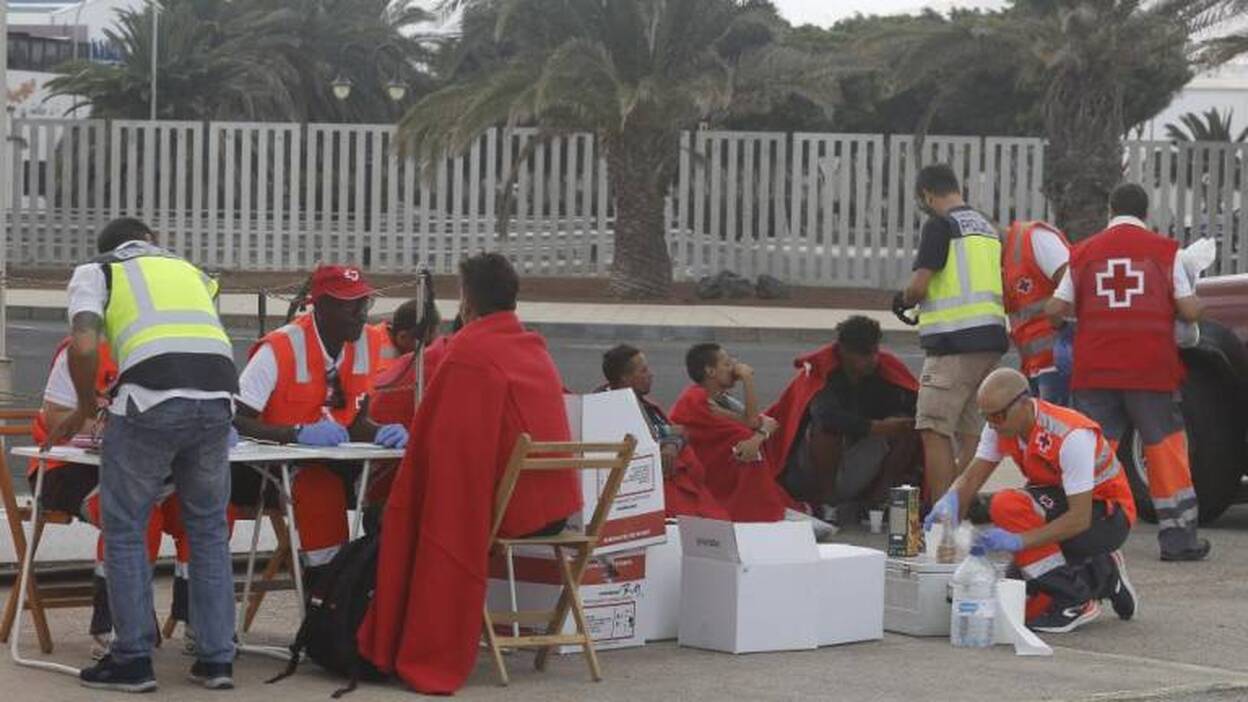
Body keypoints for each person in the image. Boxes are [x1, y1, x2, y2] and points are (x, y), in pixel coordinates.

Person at [358, 252, 582, 695]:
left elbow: (444, 450)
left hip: (513, 511)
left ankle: (400, 636)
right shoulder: (531, 346)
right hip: (557, 507)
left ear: (466, 301)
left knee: (398, 516)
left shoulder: (470, 353)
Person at [45, 217, 238, 691]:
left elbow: (85, 342)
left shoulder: (98, 269)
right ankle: (216, 661)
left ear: (106, 248)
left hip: (151, 395)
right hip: (219, 395)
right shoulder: (190, 270)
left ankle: (132, 659)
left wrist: (88, 406)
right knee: (209, 530)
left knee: (127, 527)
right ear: (151, 243)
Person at [31, 338, 231, 659]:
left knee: (207, 512)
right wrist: (119, 429)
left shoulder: (172, 351)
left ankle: (203, 624)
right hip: (67, 465)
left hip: (150, 466)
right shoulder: (83, 349)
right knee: (136, 514)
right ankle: (113, 628)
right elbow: (55, 416)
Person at [1045, 183, 1210, 562]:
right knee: (1164, 451)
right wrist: (1197, 307)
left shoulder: (1082, 253)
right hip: (1150, 370)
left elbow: (1055, 309)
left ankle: (1077, 531)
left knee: (1089, 452)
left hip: (1095, 370)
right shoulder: (1165, 253)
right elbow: (1187, 311)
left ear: (1110, 209)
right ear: (1146, 212)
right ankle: (1178, 540)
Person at [233, 264, 409, 584]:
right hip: (275, 470)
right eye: (350, 304)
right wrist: (295, 434)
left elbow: (356, 422)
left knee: (403, 478)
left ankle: (380, 577)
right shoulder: (280, 348)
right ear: (322, 305)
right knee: (319, 488)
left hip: (337, 461)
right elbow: (235, 418)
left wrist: (382, 431)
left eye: (364, 303)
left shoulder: (365, 344)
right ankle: (328, 592)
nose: (360, 313)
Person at [926, 368, 1138, 633]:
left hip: (1106, 515)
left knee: (1007, 507)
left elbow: (1078, 518)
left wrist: (1020, 541)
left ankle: (1075, 600)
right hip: (1062, 503)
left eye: (998, 416)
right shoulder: (1001, 428)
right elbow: (971, 478)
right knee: (1023, 602)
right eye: (985, 417)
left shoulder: (1071, 435)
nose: (992, 424)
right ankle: (1103, 573)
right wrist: (950, 501)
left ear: (1024, 403)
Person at [898, 163, 1008, 501]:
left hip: (952, 343)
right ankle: (962, 509)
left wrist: (902, 300)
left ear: (927, 194)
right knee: (972, 433)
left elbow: (919, 287)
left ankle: (940, 520)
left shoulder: (940, 224)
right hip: (990, 340)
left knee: (933, 429)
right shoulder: (987, 228)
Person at [766, 316, 921, 521]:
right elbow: (826, 416)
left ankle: (878, 500)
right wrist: (876, 427)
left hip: (859, 461)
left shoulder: (883, 373)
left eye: (875, 351)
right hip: (809, 470)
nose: (873, 359)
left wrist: (898, 425)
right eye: (864, 354)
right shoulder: (824, 374)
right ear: (844, 351)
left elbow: (915, 406)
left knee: (905, 427)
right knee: (826, 430)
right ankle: (826, 502)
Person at [668, 343, 795, 521]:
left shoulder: (718, 399)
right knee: (742, 439)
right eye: (727, 364)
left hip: (716, 473)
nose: (734, 368)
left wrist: (759, 433)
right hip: (709, 481)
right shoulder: (695, 401)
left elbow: (756, 422)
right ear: (710, 371)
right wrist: (747, 378)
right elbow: (753, 424)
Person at [601, 344, 730, 520]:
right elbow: (646, 438)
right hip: (654, 487)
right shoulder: (609, 407)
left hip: (683, 481)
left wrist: (671, 443)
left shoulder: (644, 404)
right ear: (625, 378)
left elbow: (678, 430)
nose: (651, 374)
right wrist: (670, 440)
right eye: (643, 371)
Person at [1003, 219, 1073, 405]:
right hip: (1034, 366)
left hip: (1058, 362)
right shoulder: (1004, 261)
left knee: (1055, 426)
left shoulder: (1032, 238)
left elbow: (1073, 279)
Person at [369, 292, 443, 427]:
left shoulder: (392, 341)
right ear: (403, 337)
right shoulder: (374, 349)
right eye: (425, 345)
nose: (428, 351)